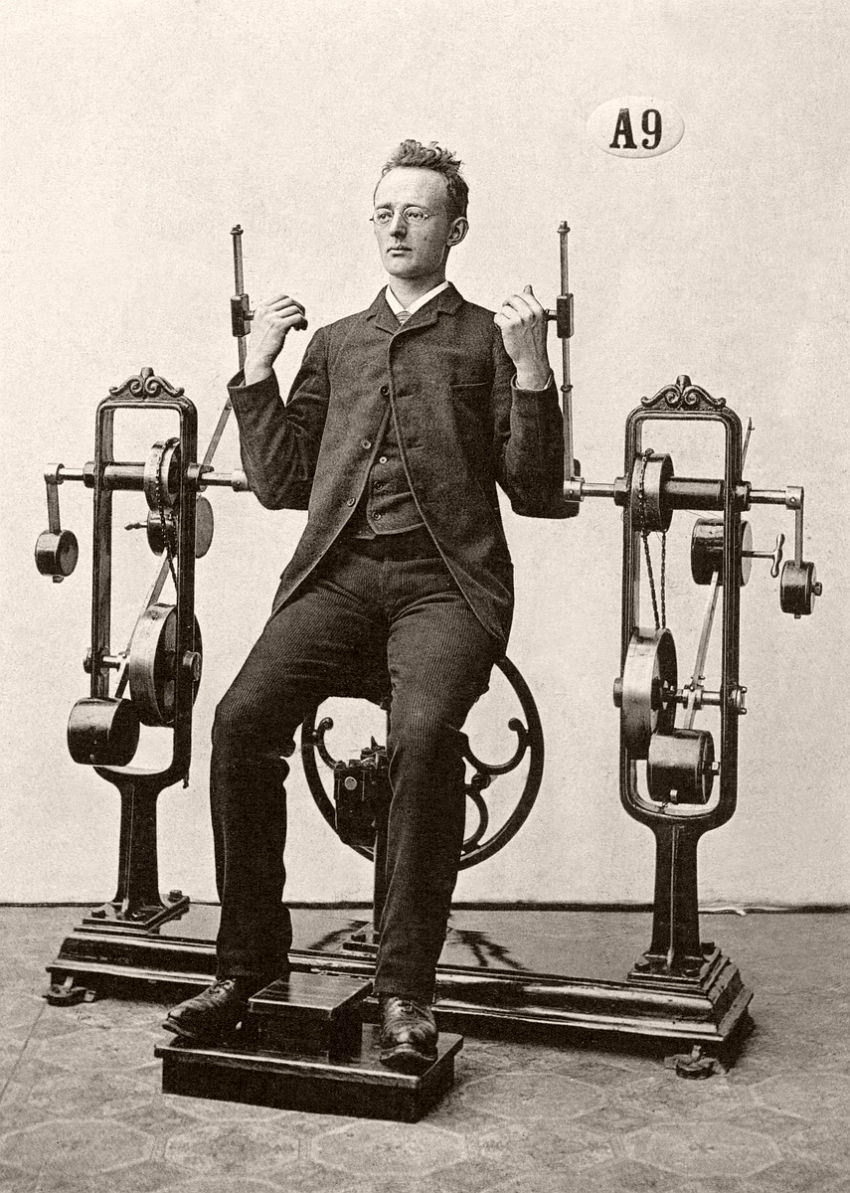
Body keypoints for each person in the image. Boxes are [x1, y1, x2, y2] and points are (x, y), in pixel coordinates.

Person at [164, 139, 565, 1073]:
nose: (396, 227)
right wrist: (257, 370)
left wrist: (533, 371)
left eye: (417, 213)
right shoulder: (337, 342)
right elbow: (282, 483)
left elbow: (536, 487)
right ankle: (247, 966)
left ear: (455, 229)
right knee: (239, 721)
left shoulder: (489, 338)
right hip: (338, 579)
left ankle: (405, 990)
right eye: (384, 212)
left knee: (422, 738)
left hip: (446, 586)